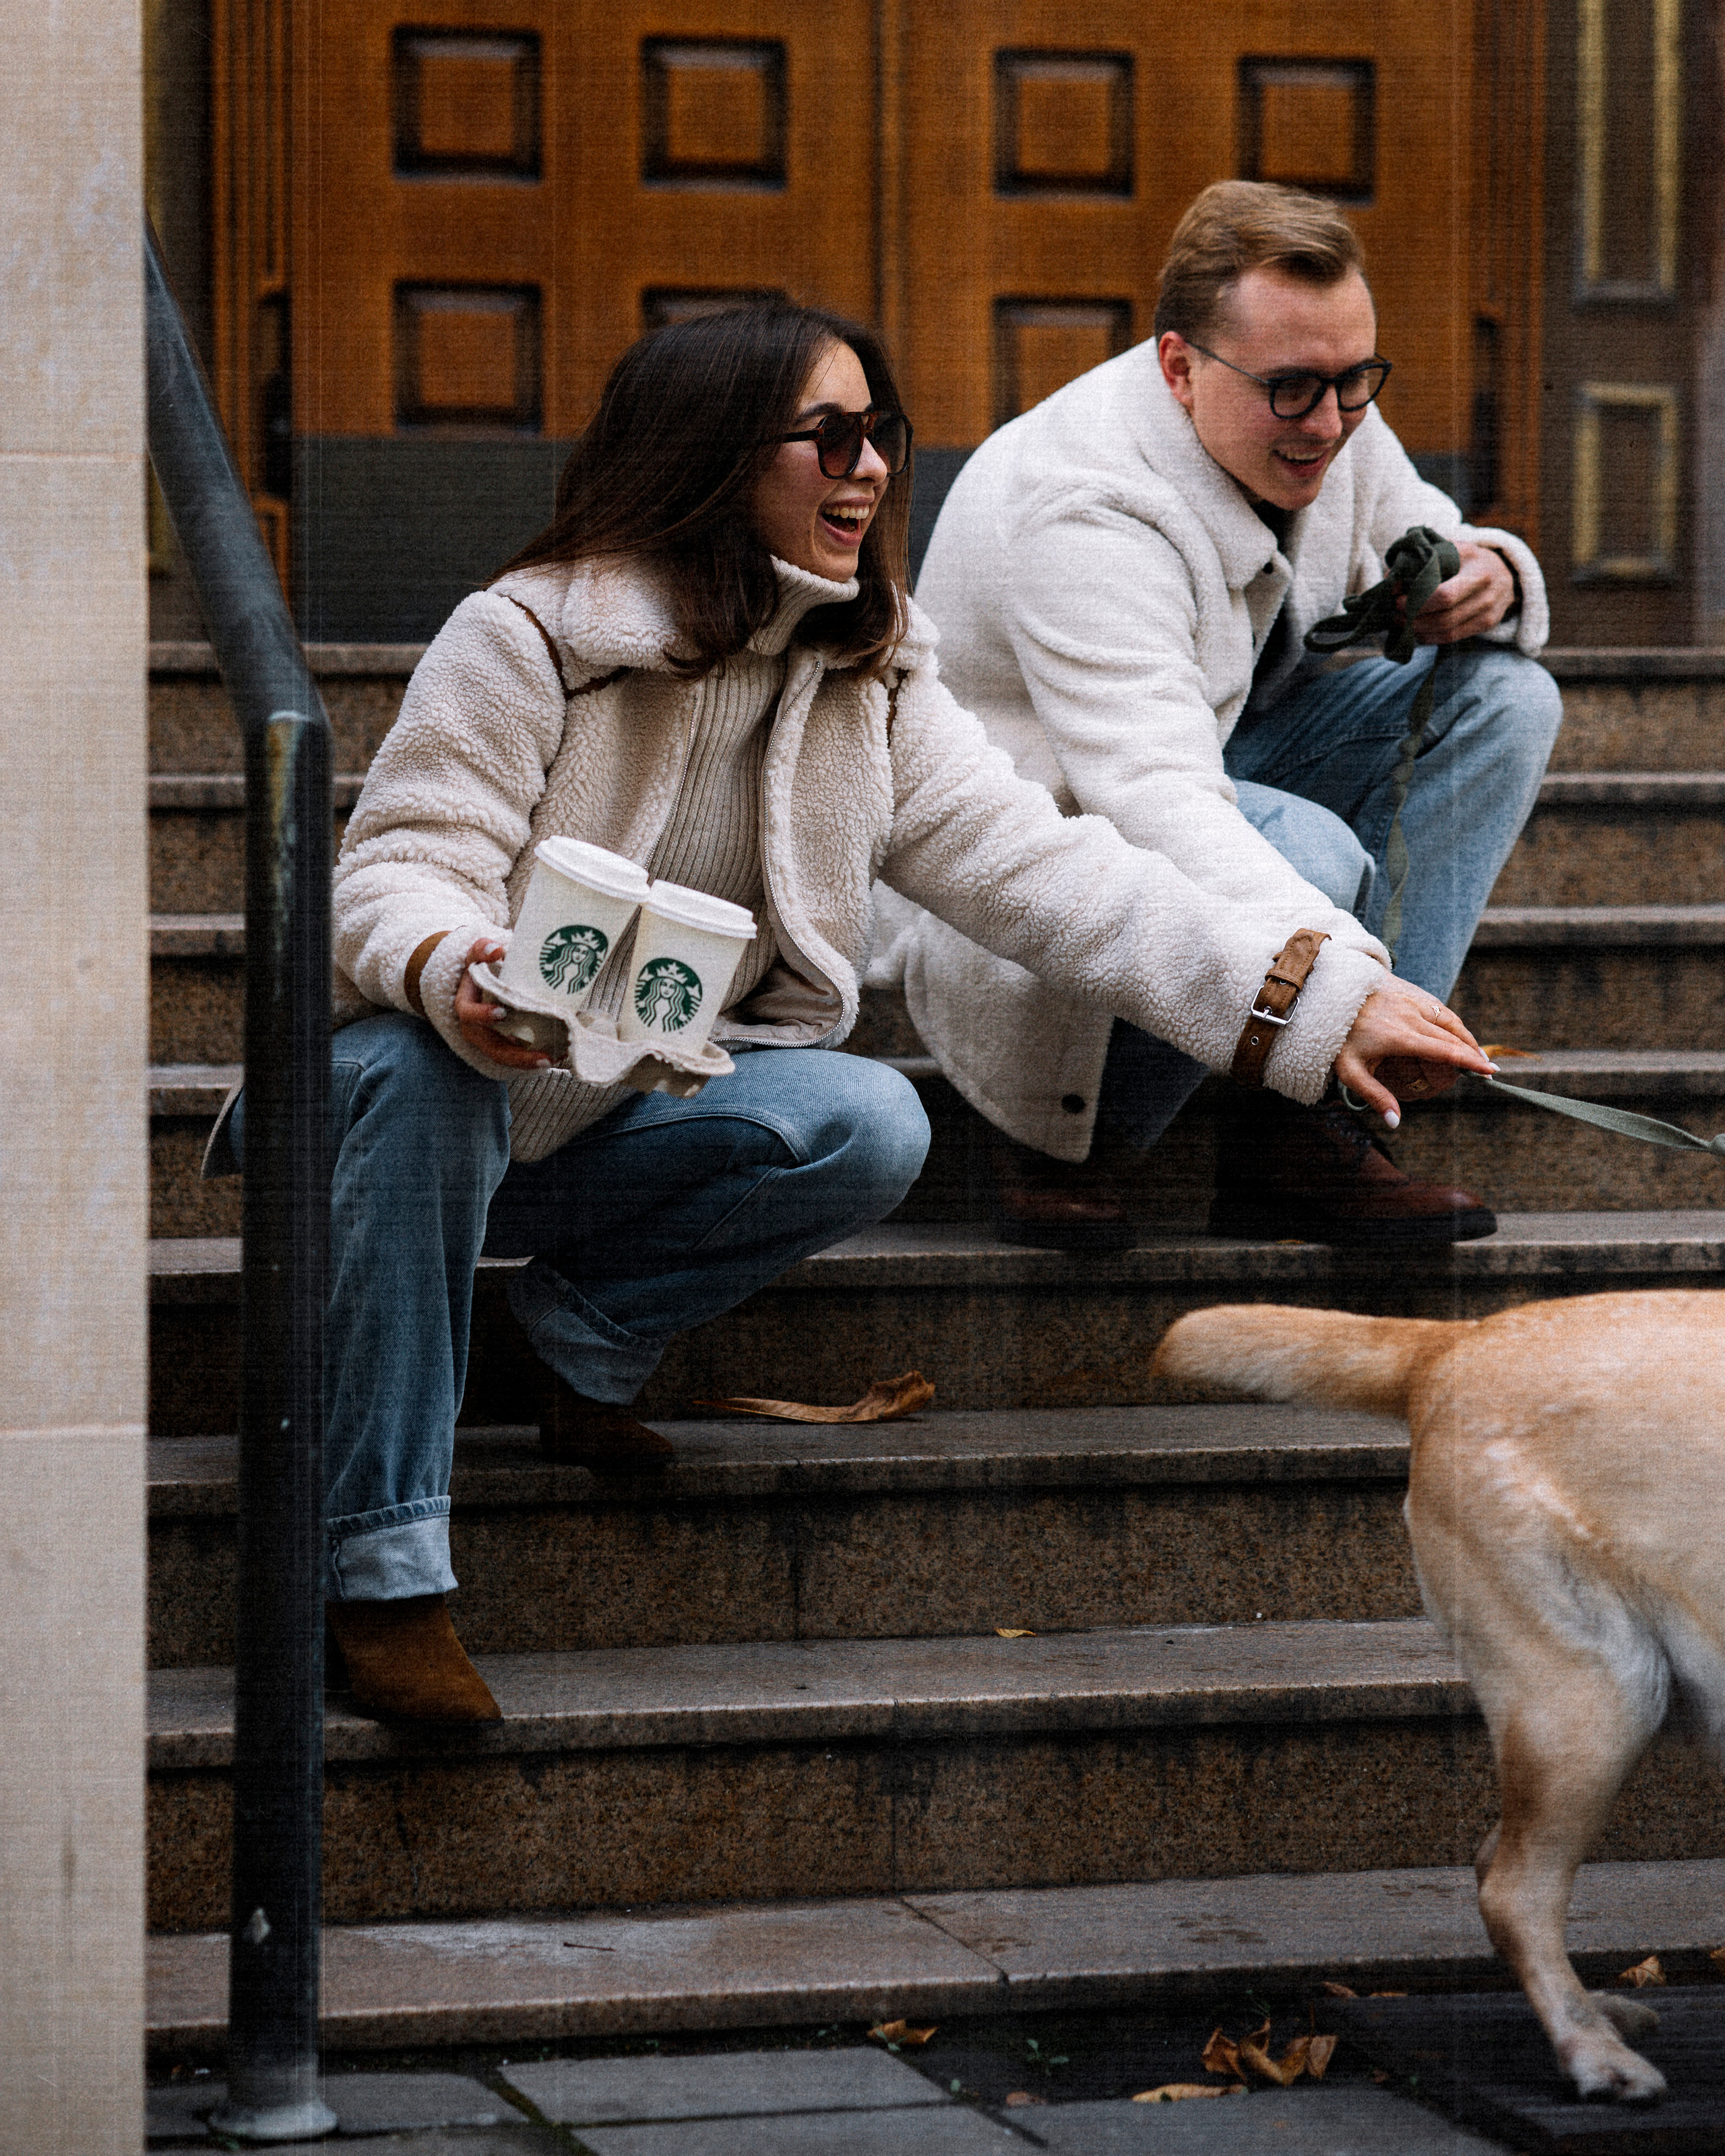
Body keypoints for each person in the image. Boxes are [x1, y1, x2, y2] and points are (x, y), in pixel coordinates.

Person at [215, 300, 1493, 1721]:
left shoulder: (869, 671)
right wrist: (458, 966)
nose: (873, 466)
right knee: (421, 1063)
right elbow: (395, 864)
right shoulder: (524, 637)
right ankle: (382, 1569)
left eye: (879, 432)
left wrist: (1317, 1004)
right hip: (401, 1118)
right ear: (709, 454)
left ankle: (564, 1347)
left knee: (861, 1119)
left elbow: (1052, 874)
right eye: (829, 435)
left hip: (602, 1124)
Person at [892, 181, 1562, 1249]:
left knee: (1501, 698)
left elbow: (1421, 525)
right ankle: (1075, 1134)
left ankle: (1323, 1120)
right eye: (1294, 390)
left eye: (1356, 383)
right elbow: (1152, 797)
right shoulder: (1082, 503)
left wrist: (1487, 575)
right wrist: (1340, 989)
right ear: (1178, 366)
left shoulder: (1324, 408)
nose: (1332, 424)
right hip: (1041, 860)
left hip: (1210, 760)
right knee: (1308, 852)